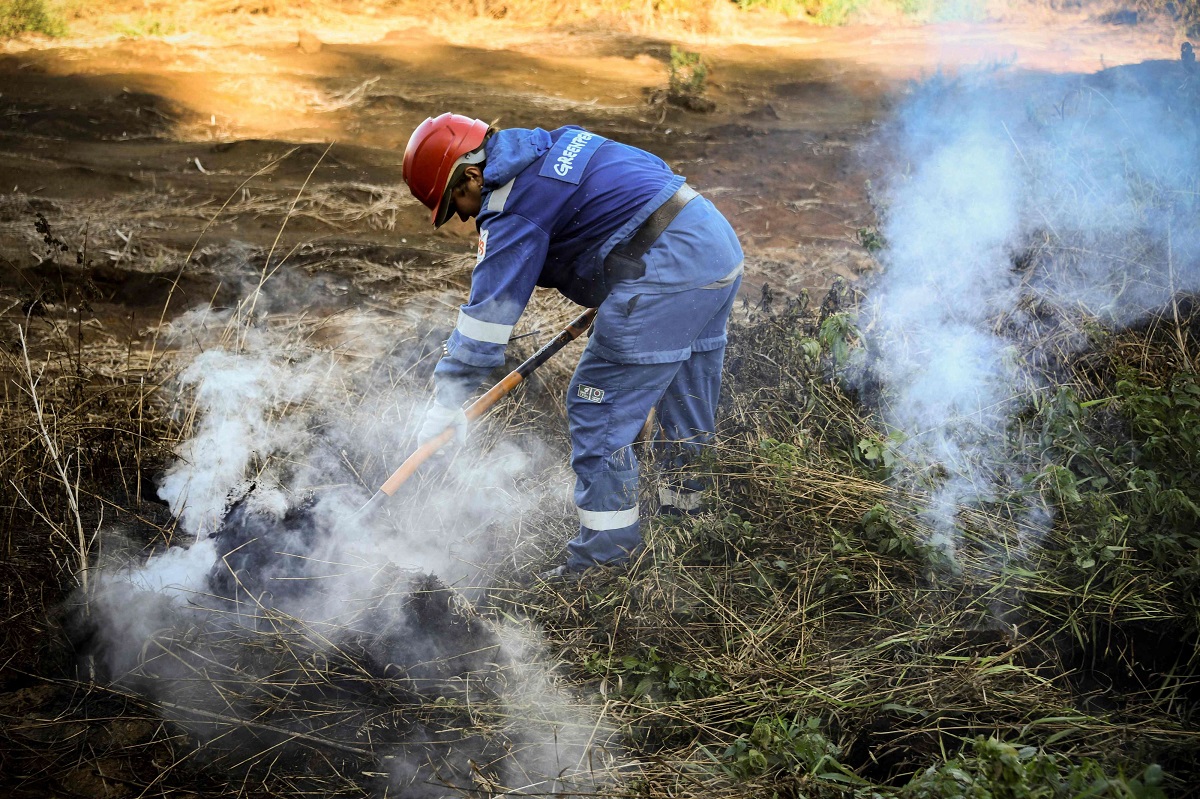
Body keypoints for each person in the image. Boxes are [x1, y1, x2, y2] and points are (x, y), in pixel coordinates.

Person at [402, 113, 743, 579]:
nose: (463, 216)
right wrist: (623, 259)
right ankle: (692, 529)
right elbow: (647, 178)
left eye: (455, 201)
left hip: (668, 270)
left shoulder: (512, 204)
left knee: (596, 406)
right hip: (713, 245)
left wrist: (446, 402)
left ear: (473, 174)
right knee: (684, 396)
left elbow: (488, 319)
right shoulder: (557, 144)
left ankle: (603, 567)